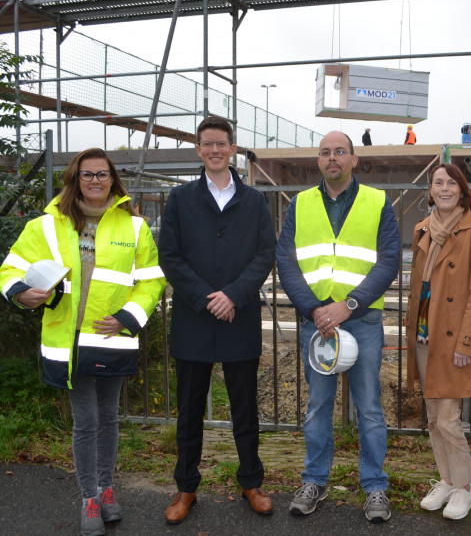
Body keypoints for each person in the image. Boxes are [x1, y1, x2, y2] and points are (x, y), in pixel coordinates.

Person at [0, 148, 166, 536]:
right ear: (75, 179)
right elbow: (10, 267)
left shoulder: (134, 227)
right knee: (86, 420)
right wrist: (20, 292)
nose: (95, 181)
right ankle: (89, 495)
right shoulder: (46, 225)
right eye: (87, 175)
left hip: (112, 337)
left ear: (113, 179)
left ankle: (107, 488)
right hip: (67, 339)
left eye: (102, 174)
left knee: (108, 418)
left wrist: (129, 318)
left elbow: (152, 280)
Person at [276, 131, 400, 523]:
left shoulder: (378, 202)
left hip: (360, 320)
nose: (333, 158)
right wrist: (314, 309)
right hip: (317, 325)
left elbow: (389, 259)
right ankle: (315, 480)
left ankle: (375, 486)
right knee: (317, 407)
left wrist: (348, 306)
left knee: (370, 408)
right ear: (318, 161)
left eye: (340, 152)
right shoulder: (300, 204)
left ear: (354, 159)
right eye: (326, 152)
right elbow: (287, 260)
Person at [158, 116, 276, 524]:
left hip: (239, 318)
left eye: (221, 143)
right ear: (198, 149)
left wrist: (234, 296)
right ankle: (186, 487)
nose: (214, 150)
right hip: (194, 319)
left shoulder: (255, 201)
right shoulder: (181, 199)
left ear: (232, 148)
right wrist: (207, 299)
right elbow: (169, 257)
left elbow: (265, 254)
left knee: (245, 408)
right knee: (189, 412)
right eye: (207, 144)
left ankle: (251, 483)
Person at [405, 164, 471, 520]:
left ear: (462, 190)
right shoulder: (423, 229)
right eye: (438, 182)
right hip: (425, 336)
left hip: (454, 339)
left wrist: (468, 342)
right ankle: (446, 479)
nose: (444, 189)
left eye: (451, 183)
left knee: (448, 419)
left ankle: (464, 488)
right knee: (432, 418)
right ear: (430, 189)